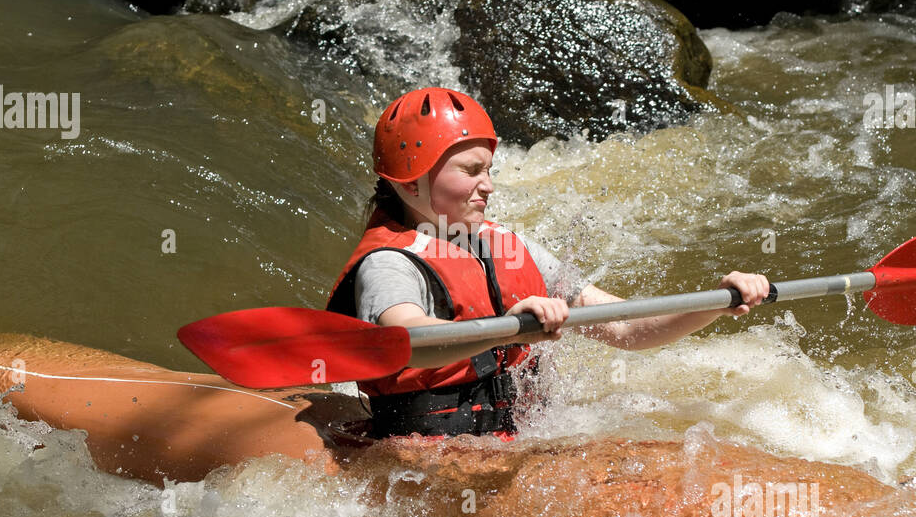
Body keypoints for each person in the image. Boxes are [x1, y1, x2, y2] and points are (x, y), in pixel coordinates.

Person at [326, 87, 770, 439]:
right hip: (428, 457)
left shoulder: (510, 246)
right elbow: (408, 338)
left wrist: (716, 302)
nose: (489, 186)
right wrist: (507, 327)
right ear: (411, 182)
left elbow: (626, 330)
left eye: (490, 169)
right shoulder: (388, 265)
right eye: (471, 170)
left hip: (518, 440)